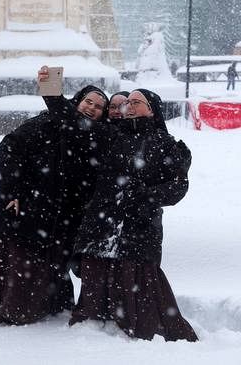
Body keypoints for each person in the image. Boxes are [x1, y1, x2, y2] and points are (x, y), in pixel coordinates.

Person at [40, 78, 197, 342]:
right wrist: (52, 93)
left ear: (152, 109)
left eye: (136, 102)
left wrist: (144, 197)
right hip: (101, 222)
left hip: (139, 226)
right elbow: (74, 121)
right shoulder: (111, 136)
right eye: (127, 103)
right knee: (96, 273)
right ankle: (94, 323)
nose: (129, 107)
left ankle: (140, 325)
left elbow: (178, 187)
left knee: (136, 278)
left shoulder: (167, 145)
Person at [0, 85, 109, 326]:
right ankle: (14, 310)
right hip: (30, 205)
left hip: (63, 215)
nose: (91, 108)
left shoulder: (97, 135)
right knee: (22, 261)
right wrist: (12, 188)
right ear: (77, 101)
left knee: (51, 263)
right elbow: (9, 147)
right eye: (88, 102)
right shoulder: (47, 122)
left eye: (98, 107)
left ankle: (46, 307)